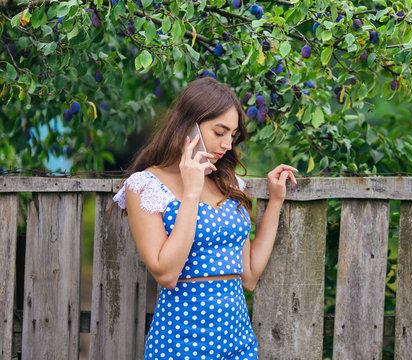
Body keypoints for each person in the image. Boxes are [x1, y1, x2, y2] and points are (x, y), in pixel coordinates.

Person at [112, 77, 297, 360]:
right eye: (219, 132)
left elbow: (248, 276)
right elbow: (167, 274)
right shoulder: (145, 185)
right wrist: (191, 191)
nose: (226, 144)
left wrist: (275, 202)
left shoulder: (229, 182)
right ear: (189, 126)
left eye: (232, 135)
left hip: (239, 342)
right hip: (182, 344)